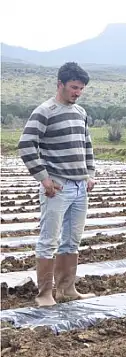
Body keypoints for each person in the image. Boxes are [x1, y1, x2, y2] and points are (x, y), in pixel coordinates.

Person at [17, 62, 97, 307]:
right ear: (60, 84)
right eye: (74, 87)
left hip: (80, 187)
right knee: (49, 240)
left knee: (72, 240)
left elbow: (87, 145)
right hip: (57, 187)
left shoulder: (80, 113)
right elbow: (26, 145)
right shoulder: (45, 111)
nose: (77, 93)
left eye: (81, 89)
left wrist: (90, 173)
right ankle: (44, 294)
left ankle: (67, 289)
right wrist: (43, 178)